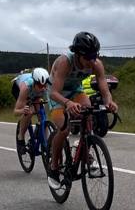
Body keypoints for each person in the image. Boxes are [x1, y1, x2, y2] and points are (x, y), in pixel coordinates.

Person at [46, 32, 118, 190]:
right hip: (57, 94)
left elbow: (103, 86)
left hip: (75, 91)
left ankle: (84, 150)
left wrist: (109, 102)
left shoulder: (96, 63)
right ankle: (53, 167)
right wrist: (68, 103)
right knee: (64, 129)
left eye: (95, 56)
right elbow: (54, 92)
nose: (91, 61)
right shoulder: (65, 62)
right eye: (88, 58)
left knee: (88, 113)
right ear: (77, 54)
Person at [12, 67, 51, 153]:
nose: (43, 88)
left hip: (35, 94)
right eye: (40, 85)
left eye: (45, 85)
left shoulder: (45, 87)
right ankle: (20, 137)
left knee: (42, 112)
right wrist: (23, 110)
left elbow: (49, 103)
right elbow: (15, 112)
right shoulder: (25, 88)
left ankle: (44, 141)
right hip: (19, 89)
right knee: (29, 112)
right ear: (34, 83)